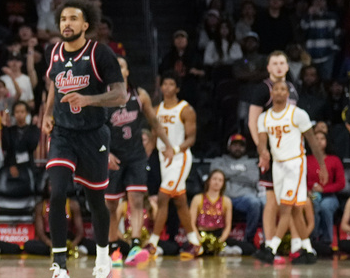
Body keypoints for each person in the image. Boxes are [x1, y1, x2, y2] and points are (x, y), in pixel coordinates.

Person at [39, 0, 124, 278]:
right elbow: (53, 84)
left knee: (96, 201)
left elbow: (121, 96)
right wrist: (47, 115)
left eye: (73, 19)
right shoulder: (55, 52)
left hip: (93, 135)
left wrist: (88, 99)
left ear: (86, 25)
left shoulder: (100, 53)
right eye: (63, 19)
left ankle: (103, 259)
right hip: (63, 134)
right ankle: (60, 266)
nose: (67, 24)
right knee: (58, 191)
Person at [254, 80, 326, 265]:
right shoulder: (264, 117)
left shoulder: (298, 114)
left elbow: (312, 141)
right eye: (276, 89)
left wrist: (322, 166)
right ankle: (309, 251)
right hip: (278, 166)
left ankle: (271, 248)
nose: (278, 92)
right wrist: (263, 151)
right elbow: (262, 140)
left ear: (288, 94)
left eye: (282, 89)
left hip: (295, 164)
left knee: (285, 206)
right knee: (294, 210)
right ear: (272, 93)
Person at [246, 51, 308, 259]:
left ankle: (295, 246)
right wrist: (262, 151)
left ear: (288, 66)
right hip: (272, 156)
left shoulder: (291, 87)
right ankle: (269, 244)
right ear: (269, 68)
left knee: (291, 202)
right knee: (272, 201)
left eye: (283, 63)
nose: (279, 67)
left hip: (290, 154)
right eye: (275, 63)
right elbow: (253, 122)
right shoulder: (262, 89)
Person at [105, 57, 165, 267]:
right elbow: (94, 131)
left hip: (136, 155)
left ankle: (136, 245)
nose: (117, 70)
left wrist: (164, 145)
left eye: (121, 66)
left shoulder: (140, 95)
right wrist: (105, 154)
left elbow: (154, 121)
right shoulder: (102, 98)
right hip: (112, 156)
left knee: (137, 199)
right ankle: (113, 249)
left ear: (127, 71)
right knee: (111, 205)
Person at [150, 74, 202, 259]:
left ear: (177, 88)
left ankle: (152, 243)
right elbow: (153, 136)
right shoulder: (156, 110)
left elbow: (191, 138)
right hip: (163, 159)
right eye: (165, 82)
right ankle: (195, 243)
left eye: (171, 83)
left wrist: (175, 149)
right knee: (180, 202)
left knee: (163, 197)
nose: (167, 86)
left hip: (180, 158)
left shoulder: (185, 109)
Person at [210, 134, 264, 246]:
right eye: (235, 145)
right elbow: (215, 174)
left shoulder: (252, 162)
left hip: (244, 197)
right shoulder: (219, 160)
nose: (238, 148)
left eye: (241, 146)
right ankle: (214, 240)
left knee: (255, 202)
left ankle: (248, 240)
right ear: (229, 147)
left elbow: (253, 179)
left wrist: (227, 174)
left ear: (245, 148)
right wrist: (242, 173)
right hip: (224, 197)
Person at [189, 169, 253, 256]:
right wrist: (199, 239)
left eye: (220, 180)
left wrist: (219, 241)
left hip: (218, 235)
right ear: (209, 181)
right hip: (201, 234)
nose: (217, 182)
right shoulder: (198, 198)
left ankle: (224, 249)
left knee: (249, 248)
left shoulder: (226, 201)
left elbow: (228, 226)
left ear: (223, 184)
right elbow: (191, 224)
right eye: (214, 179)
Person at [24, 178, 84, 257]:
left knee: (93, 245)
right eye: (51, 185)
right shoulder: (41, 206)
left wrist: (73, 244)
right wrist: (51, 244)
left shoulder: (73, 205)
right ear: (46, 187)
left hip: (67, 238)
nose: (54, 188)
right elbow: (40, 233)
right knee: (29, 245)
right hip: (50, 239)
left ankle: (71, 250)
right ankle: (56, 251)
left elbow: (80, 231)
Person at [306, 128, 345, 245]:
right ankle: (312, 240)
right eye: (316, 139)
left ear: (327, 141)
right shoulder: (306, 159)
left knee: (325, 206)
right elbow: (302, 179)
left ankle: (327, 241)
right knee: (314, 206)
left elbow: (341, 183)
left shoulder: (334, 160)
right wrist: (309, 190)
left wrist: (324, 189)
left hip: (330, 195)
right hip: (311, 194)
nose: (319, 141)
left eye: (322, 139)